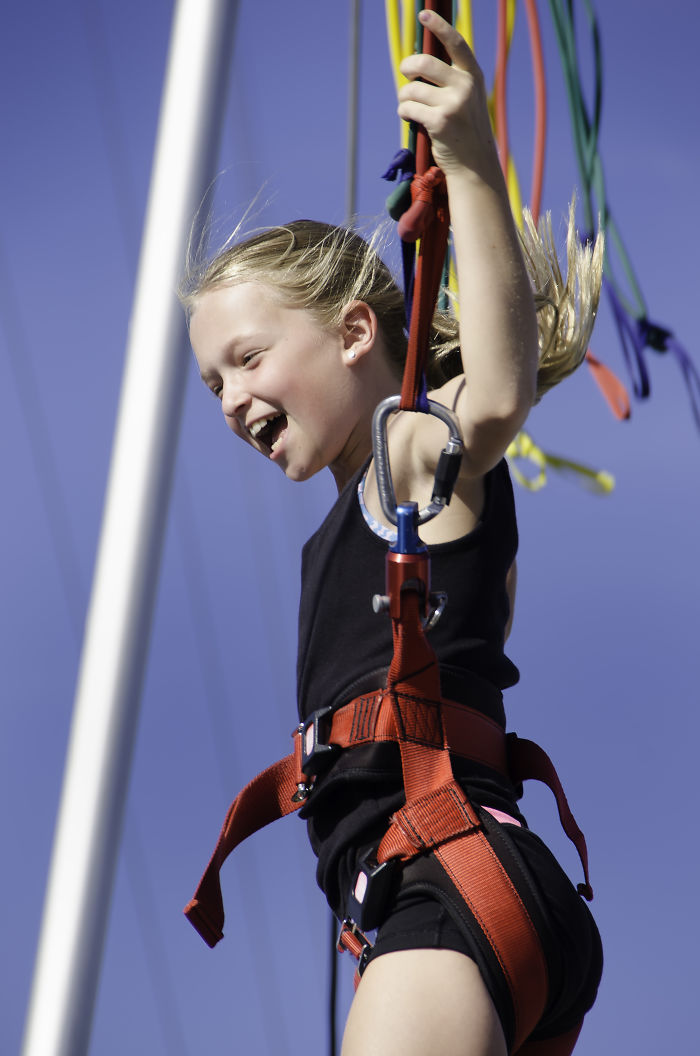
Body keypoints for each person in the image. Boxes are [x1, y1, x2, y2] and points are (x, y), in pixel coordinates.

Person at [181, 11, 604, 1056]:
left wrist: (465, 159)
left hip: (444, 892)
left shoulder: (405, 458)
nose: (231, 400)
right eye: (211, 385)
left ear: (356, 331)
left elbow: (497, 388)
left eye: (245, 358)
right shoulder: (359, 521)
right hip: (454, 899)